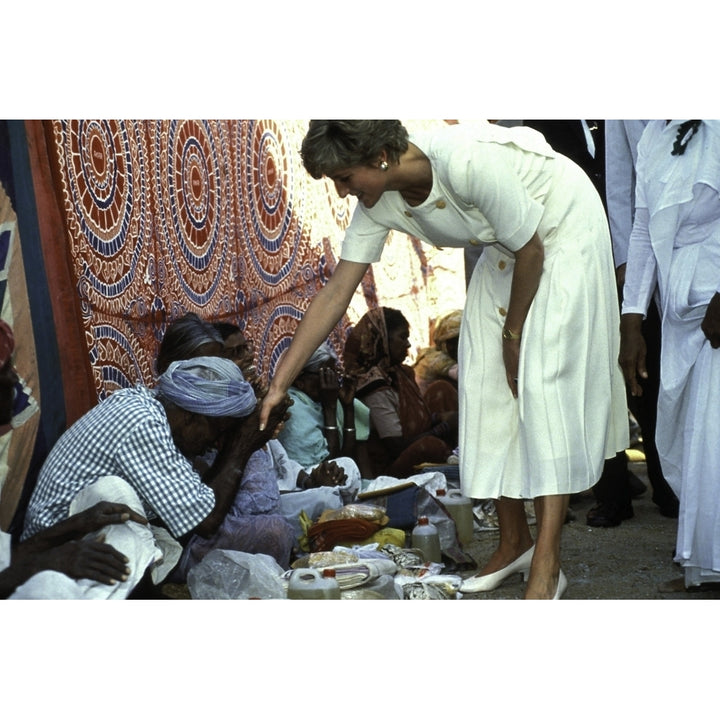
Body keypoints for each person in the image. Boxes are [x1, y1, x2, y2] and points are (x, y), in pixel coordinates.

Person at [258, 120, 628, 599]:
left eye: (345, 177)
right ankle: (514, 541)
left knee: (541, 381)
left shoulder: (465, 159)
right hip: (509, 244)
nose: (343, 191)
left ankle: (547, 560)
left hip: (559, 228)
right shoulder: (378, 201)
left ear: (380, 158)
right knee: (484, 380)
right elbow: (335, 293)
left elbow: (532, 249)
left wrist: (513, 335)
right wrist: (278, 384)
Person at [20, 356, 290, 598]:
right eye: (218, 432)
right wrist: (242, 444)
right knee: (116, 496)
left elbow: (199, 501)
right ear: (190, 418)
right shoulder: (143, 423)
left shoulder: (152, 411)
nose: (215, 444)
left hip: (92, 541)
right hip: (55, 555)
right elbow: (206, 520)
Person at [620, 119, 720, 588]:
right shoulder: (653, 136)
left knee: (713, 428)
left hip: (715, 291)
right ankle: (705, 560)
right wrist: (632, 317)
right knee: (694, 432)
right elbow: (643, 227)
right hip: (677, 299)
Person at [605, 120, 678, 521]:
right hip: (646, 254)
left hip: (703, 250)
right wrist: (625, 266)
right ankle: (667, 485)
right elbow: (622, 186)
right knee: (649, 381)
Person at [342, 306, 457, 478]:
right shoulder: (374, 387)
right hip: (388, 467)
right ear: (383, 341)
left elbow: (408, 419)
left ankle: (455, 454)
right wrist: (443, 427)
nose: (408, 344)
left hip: (408, 440)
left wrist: (438, 418)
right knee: (430, 445)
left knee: (441, 389)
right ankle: (453, 462)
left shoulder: (398, 372)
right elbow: (396, 446)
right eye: (402, 338)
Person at [277, 341, 373, 476]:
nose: (332, 381)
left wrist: (348, 407)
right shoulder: (293, 410)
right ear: (300, 380)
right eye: (326, 374)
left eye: (334, 374)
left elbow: (347, 460)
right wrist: (330, 408)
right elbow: (329, 470)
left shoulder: (321, 402)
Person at [413, 308, 461, 411]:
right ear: (443, 343)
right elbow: (464, 376)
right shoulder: (436, 358)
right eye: (452, 342)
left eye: (461, 341)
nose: (458, 346)